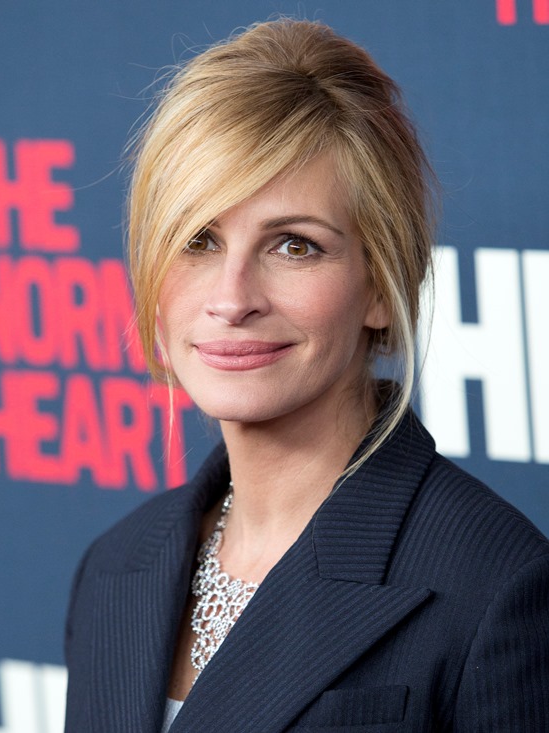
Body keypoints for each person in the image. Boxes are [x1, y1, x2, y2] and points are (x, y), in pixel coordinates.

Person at [64, 19, 549, 732]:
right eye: (198, 239)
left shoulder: (497, 585)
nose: (232, 298)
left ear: (381, 285)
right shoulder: (113, 568)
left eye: (295, 245)